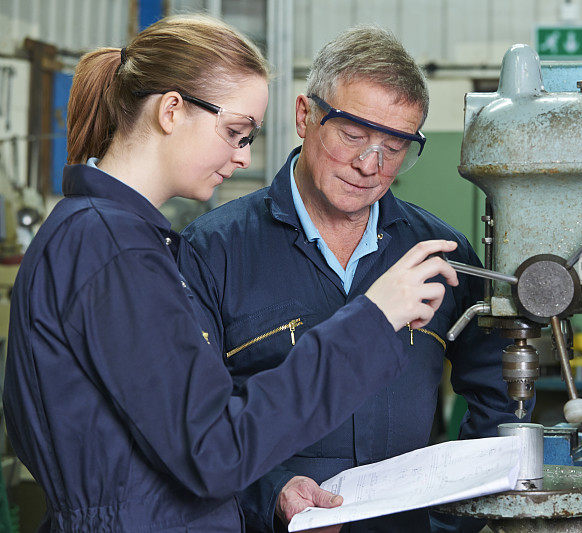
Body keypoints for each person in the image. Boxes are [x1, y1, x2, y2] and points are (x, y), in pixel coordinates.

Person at [2, 15, 460, 532]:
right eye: (235, 132)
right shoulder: (113, 248)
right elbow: (215, 450)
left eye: (395, 147)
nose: (244, 157)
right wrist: (375, 319)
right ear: (172, 110)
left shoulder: (113, 237)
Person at [179, 25, 528, 532]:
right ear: (305, 116)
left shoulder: (437, 255)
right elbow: (192, 422)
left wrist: (455, 516)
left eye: (395, 145)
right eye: (353, 135)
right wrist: (271, 491)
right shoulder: (213, 252)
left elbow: (501, 389)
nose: (371, 165)